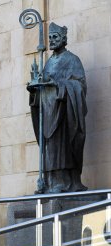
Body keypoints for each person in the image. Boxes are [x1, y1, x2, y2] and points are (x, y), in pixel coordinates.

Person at [27, 22, 88, 194]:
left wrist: (60, 85)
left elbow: (80, 86)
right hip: (48, 112)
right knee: (50, 148)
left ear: (63, 39)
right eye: (50, 38)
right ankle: (49, 181)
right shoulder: (48, 63)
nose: (52, 41)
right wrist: (34, 89)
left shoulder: (72, 60)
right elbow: (43, 87)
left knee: (61, 148)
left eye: (55, 37)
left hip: (64, 112)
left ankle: (65, 181)